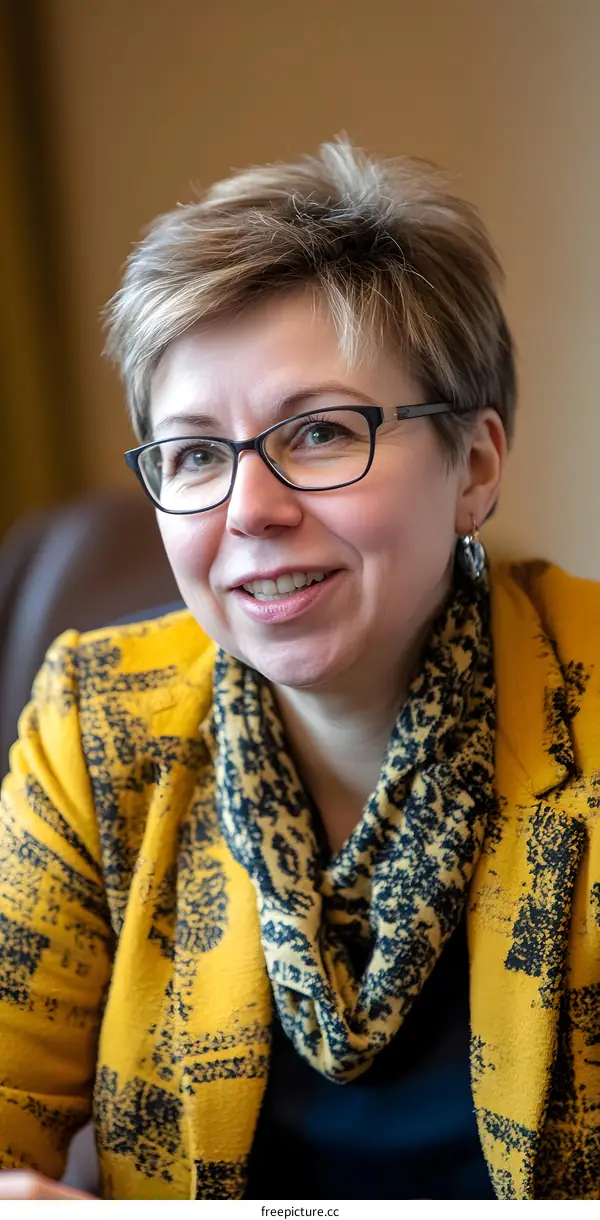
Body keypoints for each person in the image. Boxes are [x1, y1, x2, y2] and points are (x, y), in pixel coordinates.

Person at [0, 139, 598, 1203]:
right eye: (192, 453)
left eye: (319, 432)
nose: (249, 509)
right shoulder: (99, 723)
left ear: (475, 463)